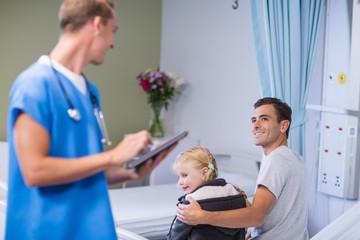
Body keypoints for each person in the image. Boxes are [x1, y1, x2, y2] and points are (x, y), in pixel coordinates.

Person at [5, 0, 176, 239]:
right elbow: (35, 171)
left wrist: (127, 174)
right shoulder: (34, 84)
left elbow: (82, 169)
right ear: (97, 24)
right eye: (113, 31)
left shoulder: (90, 91)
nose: (113, 43)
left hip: (91, 228)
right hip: (46, 230)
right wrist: (114, 156)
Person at [176, 97, 309, 240]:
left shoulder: (277, 159)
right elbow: (283, 211)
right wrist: (254, 230)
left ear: (283, 126)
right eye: (253, 120)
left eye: (264, 119)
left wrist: (203, 217)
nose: (255, 125)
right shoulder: (296, 159)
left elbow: (256, 216)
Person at [167, 147, 250, 240]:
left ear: (204, 173)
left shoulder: (191, 203)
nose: (180, 182)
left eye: (184, 175)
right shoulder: (235, 193)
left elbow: (175, 237)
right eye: (179, 176)